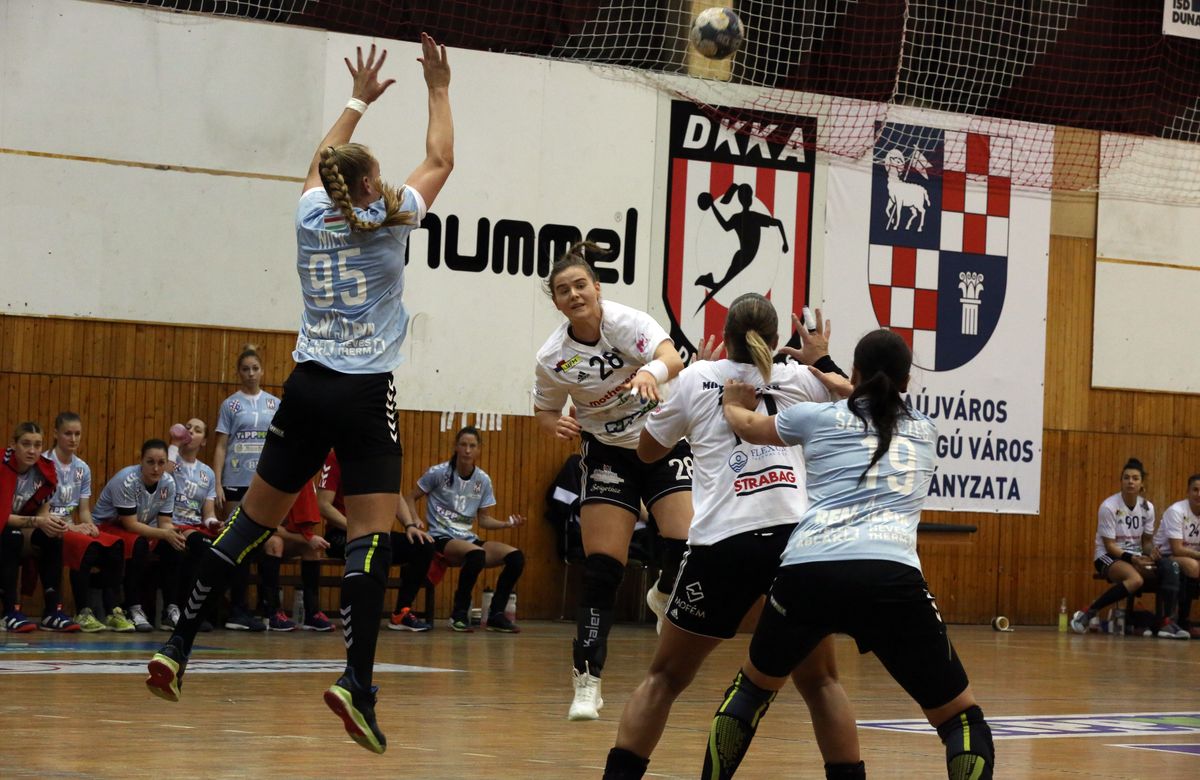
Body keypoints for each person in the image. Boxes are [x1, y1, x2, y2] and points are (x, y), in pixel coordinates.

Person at [147, 36, 454, 757]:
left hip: (306, 388)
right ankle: (356, 682)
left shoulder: (310, 214)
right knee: (370, 538)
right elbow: (440, 159)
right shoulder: (393, 220)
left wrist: (355, 101)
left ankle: (177, 645)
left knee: (251, 522)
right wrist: (439, 87)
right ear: (372, 184)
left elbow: (321, 162)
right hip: (364, 392)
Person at [708, 328, 995, 779]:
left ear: (856, 372)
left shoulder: (814, 417)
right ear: (906, 381)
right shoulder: (926, 429)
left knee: (751, 692)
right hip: (890, 575)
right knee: (961, 720)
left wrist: (732, 402)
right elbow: (870, 400)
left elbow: (747, 426)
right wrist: (827, 366)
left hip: (809, 571)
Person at [603, 298, 861, 780]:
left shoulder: (697, 378)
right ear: (777, 337)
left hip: (724, 544)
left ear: (724, 335)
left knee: (665, 678)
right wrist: (822, 359)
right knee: (822, 682)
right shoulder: (805, 379)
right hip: (794, 544)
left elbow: (647, 452)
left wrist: (690, 390)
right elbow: (867, 409)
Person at [533, 241, 693, 721]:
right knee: (602, 568)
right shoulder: (554, 356)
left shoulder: (626, 323)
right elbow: (544, 409)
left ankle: (663, 592)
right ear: (556, 302)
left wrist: (650, 372)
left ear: (597, 288)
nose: (574, 294)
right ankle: (587, 683)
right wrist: (554, 424)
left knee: (687, 543)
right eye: (564, 290)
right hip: (606, 451)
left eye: (581, 285)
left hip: (660, 440)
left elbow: (672, 358)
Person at [405, 426, 523, 633]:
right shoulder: (439, 472)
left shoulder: (482, 480)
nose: (468, 450)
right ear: (456, 447)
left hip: (467, 538)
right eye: (463, 445)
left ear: (479, 450)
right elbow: (409, 498)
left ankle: (496, 614)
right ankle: (459, 613)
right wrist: (414, 522)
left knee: (516, 557)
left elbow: (483, 520)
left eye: (472, 446)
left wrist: (506, 523)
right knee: (476, 554)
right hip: (440, 537)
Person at [1069, 458, 1186, 638]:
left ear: (1142, 483)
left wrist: (1152, 552)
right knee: (1135, 579)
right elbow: (1109, 545)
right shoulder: (1109, 506)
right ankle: (1089, 612)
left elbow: (1146, 542)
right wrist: (1132, 559)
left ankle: (1165, 622)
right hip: (1108, 556)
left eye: (1135, 478)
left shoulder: (1147, 507)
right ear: (1121, 481)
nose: (1130, 481)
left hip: (1135, 555)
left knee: (1169, 568)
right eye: (1126, 478)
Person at [320, 449, 434, 632]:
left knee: (422, 546)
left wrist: (409, 525)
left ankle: (401, 613)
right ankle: (359, 611)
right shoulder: (336, 456)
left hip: (375, 532)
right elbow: (323, 504)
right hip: (341, 533)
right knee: (373, 549)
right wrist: (355, 527)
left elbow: (394, 494)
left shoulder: (382, 455)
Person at [212, 345, 279, 632]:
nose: (250, 373)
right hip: (235, 480)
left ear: (262, 371)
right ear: (238, 373)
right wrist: (217, 482)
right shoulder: (231, 405)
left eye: (255, 368)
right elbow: (221, 446)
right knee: (237, 542)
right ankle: (237, 609)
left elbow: (280, 443)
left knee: (265, 542)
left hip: (264, 482)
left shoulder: (274, 404)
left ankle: (267, 608)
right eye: (245, 369)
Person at [93, 439, 186, 632]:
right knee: (139, 544)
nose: (156, 468)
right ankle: (133, 607)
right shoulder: (127, 480)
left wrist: (172, 533)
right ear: (141, 461)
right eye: (150, 462)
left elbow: (164, 523)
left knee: (175, 544)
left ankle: (170, 609)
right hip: (106, 527)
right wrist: (164, 533)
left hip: (137, 528)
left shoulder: (168, 483)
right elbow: (130, 524)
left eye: (161, 463)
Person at [48, 412, 123, 632]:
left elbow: (83, 510)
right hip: (50, 524)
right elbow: (43, 510)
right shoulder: (45, 463)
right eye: (68, 433)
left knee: (115, 545)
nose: (73, 439)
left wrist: (90, 525)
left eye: (77, 434)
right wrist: (73, 527)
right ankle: (83, 611)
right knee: (85, 547)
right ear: (56, 434)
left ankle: (112, 611)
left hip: (71, 525)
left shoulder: (83, 468)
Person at [0, 422, 75, 632]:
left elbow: (43, 510)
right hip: (5, 528)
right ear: (13, 444)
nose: (32, 450)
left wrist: (49, 523)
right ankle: (9, 612)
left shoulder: (45, 470)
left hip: (17, 527)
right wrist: (38, 522)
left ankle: (52, 611)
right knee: (11, 535)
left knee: (52, 536)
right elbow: (2, 518)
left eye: (37, 445)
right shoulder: (2, 465)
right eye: (26, 444)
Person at [165, 418, 221, 631]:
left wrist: (214, 523)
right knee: (198, 544)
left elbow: (208, 513)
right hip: (170, 522)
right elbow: (164, 476)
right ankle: (179, 609)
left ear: (204, 441)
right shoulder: (170, 459)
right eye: (187, 427)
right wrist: (174, 444)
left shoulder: (207, 473)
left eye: (197, 430)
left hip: (194, 525)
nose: (190, 432)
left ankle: (199, 611)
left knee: (218, 549)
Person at [258, 477, 334, 631]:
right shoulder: (274, 482)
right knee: (275, 543)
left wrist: (308, 539)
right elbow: (269, 527)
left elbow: (303, 529)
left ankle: (312, 614)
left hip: (284, 538)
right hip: (257, 537)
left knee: (312, 548)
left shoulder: (305, 483)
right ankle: (272, 613)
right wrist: (308, 538)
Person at [1152, 474, 1200, 637]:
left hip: (1192, 556)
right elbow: (1177, 549)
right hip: (1164, 556)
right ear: (1188, 492)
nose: (1199, 494)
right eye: (1195, 490)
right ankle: (1176, 620)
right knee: (1193, 567)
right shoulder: (1176, 511)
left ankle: (1184, 621)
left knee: (1193, 566)